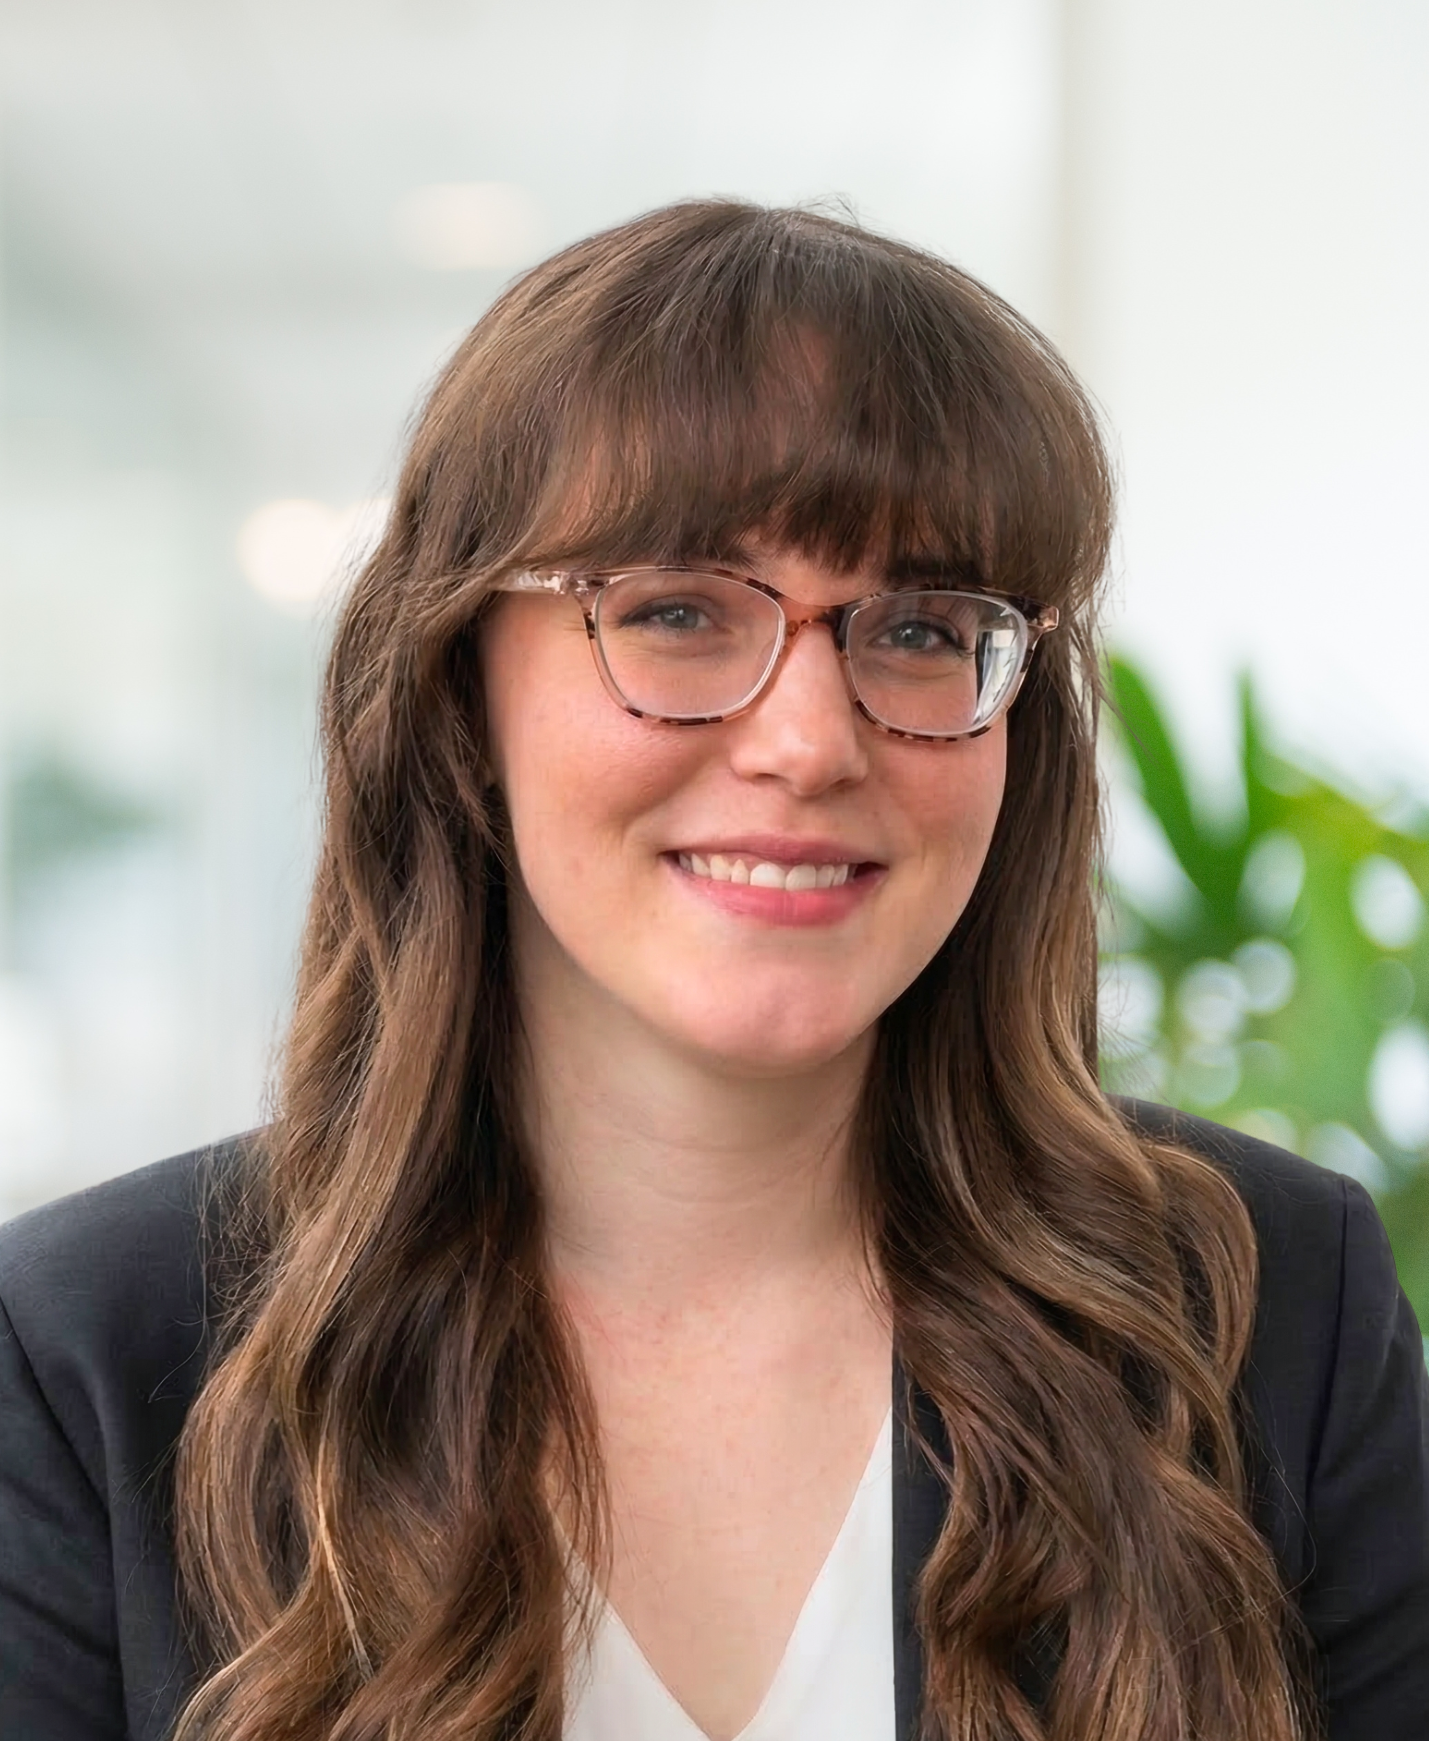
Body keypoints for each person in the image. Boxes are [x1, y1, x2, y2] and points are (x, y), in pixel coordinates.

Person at [1, 200, 1426, 1741]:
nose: (810, 743)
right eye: (677, 611)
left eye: (922, 628)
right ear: (459, 690)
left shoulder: (1270, 1309)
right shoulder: (88, 1354)